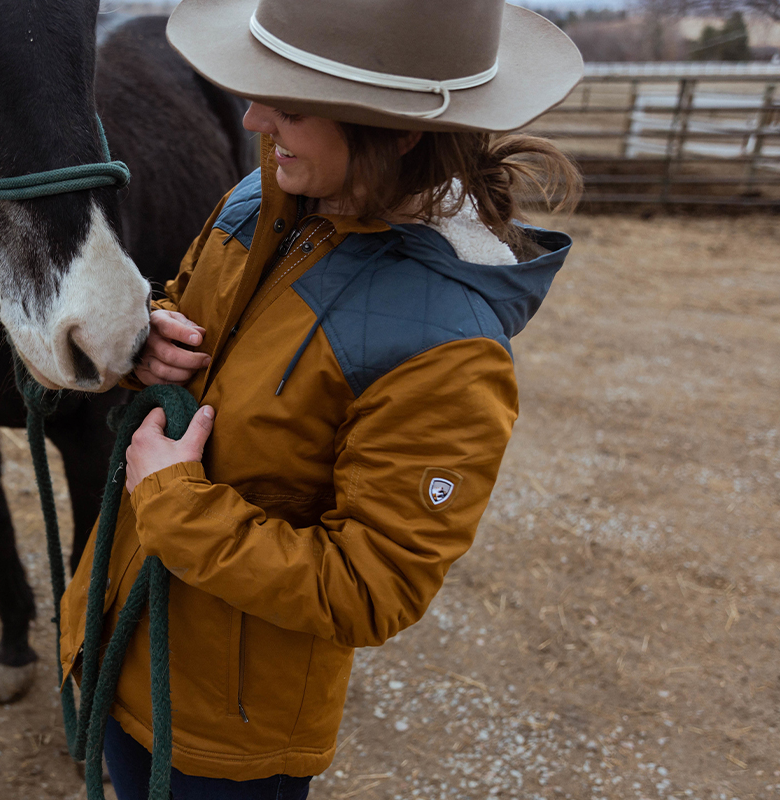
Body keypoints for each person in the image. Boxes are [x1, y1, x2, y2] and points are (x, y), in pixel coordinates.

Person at [58, 0, 584, 797]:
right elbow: (199, 310)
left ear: (397, 130)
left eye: (291, 107)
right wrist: (155, 336)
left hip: (224, 732)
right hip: (127, 636)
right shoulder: (259, 195)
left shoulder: (448, 351)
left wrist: (174, 503)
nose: (252, 117)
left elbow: (372, 585)